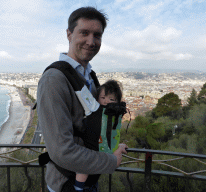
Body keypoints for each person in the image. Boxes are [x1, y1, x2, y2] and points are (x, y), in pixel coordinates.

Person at [36, 7, 128, 192]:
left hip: (88, 179)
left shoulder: (90, 77)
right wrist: (110, 161)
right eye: (84, 33)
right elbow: (62, 151)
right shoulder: (54, 80)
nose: (91, 41)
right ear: (69, 34)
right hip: (64, 184)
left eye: (97, 35)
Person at [75, 80, 125, 192]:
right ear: (97, 98)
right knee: (83, 170)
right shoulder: (94, 109)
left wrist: (118, 146)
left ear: (117, 101)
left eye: (111, 99)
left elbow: (113, 134)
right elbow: (82, 96)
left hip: (103, 151)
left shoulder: (115, 116)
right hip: (90, 149)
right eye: (103, 98)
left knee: (85, 170)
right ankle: (78, 188)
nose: (106, 101)